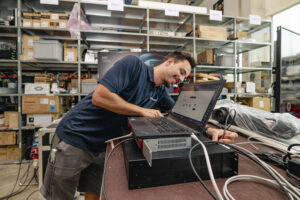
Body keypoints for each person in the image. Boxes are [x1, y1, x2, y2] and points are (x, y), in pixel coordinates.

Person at [40, 52, 238, 200]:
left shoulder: (160, 92)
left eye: (184, 78)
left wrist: (209, 130)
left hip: (104, 145)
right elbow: (100, 97)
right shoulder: (133, 65)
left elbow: (179, 117)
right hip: (76, 137)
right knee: (59, 196)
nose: (181, 79)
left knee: (95, 193)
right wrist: (142, 111)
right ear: (169, 62)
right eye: (181, 72)